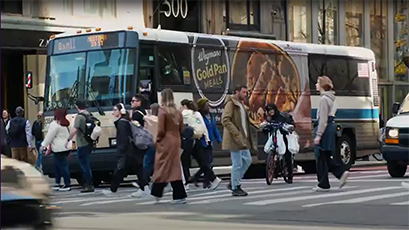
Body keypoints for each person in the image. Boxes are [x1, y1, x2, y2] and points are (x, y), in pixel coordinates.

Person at [102, 103, 150, 197]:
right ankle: (145, 188)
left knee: (120, 170)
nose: (113, 112)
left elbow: (124, 138)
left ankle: (113, 190)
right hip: (132, 151)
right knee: (138, 169)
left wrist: (121, 150)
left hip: (126, 151)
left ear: (121, 111)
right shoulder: (125, 121)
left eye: (115, 110)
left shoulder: (121, 123)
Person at [151, 88, 187, 204]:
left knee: (161, 165)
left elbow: (161, 129)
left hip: (166, 140)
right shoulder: (177, 111)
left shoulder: (162, 110)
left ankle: (157, 191)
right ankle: (179, 194)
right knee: (174, 167)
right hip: (176, 139)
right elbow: (182, 128)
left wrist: (157, 139)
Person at [313, 76, 349, 192]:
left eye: (318, 83)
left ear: (322, 85)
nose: (316, 85)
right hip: (330, 127)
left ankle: (327, 181)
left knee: (321, 155)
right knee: (325, 155)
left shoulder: (324, 99)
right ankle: (333, 177)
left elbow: (323, 119)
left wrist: (318, 135)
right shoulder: (332, 98)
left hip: (325, 127)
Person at [221, 85, 256, 197]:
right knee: (237, 163)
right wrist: (236, 133)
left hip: (242, 138)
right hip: (235, 138)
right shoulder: (231, 103)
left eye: (246, 92)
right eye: (244, 92)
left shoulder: (240, 104)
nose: (245, 95)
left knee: (247, 160)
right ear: (237, 92)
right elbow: (225, 119)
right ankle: (235, 186)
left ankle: (233, 182)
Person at [180, 99, 222, 190]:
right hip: (198, 139)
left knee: (185, 162)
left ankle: (186, 183)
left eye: (181, 106)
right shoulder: (197, 114)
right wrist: (207, 139)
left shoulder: (184, 114)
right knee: (202, 162)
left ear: (184, 106)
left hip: (189, 140)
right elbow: (203, 127)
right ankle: (214, 179)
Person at [260, 103, 295, 183]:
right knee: (270, 152)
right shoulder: (269, 119)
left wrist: (286, 127)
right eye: (269, 110)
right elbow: (265, 129)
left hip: (283, 137)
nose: (271, 111)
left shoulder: (283, 116)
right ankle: (273, 168)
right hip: (273, 137)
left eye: (272, 109)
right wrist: (265, 128)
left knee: (287, 154)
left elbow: (290, 124)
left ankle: (290, 175)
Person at [67, 100, 94, 193]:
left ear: (76, 107)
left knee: (84, 165)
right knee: (86, 164)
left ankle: (88, 184)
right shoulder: (89, 114)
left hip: (82, 143)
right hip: (89, 142)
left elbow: (75, 129)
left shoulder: (79, 117)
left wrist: (68, 139)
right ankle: (89, 183)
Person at [41, 109, 72, 192]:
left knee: (61, 166)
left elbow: (49, 136)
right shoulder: (67, 123)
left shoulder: (54, 124)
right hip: (66, 147)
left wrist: (43, 145)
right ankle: (59, 183)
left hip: (58, 148)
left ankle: (66, 184)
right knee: (59, 166)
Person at [142, 103, 160, 183]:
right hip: (159, 143)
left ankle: (144, 181)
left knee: (147, 163)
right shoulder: (160, 119)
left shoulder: (148, 119)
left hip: (150, 142)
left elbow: (145, 129)